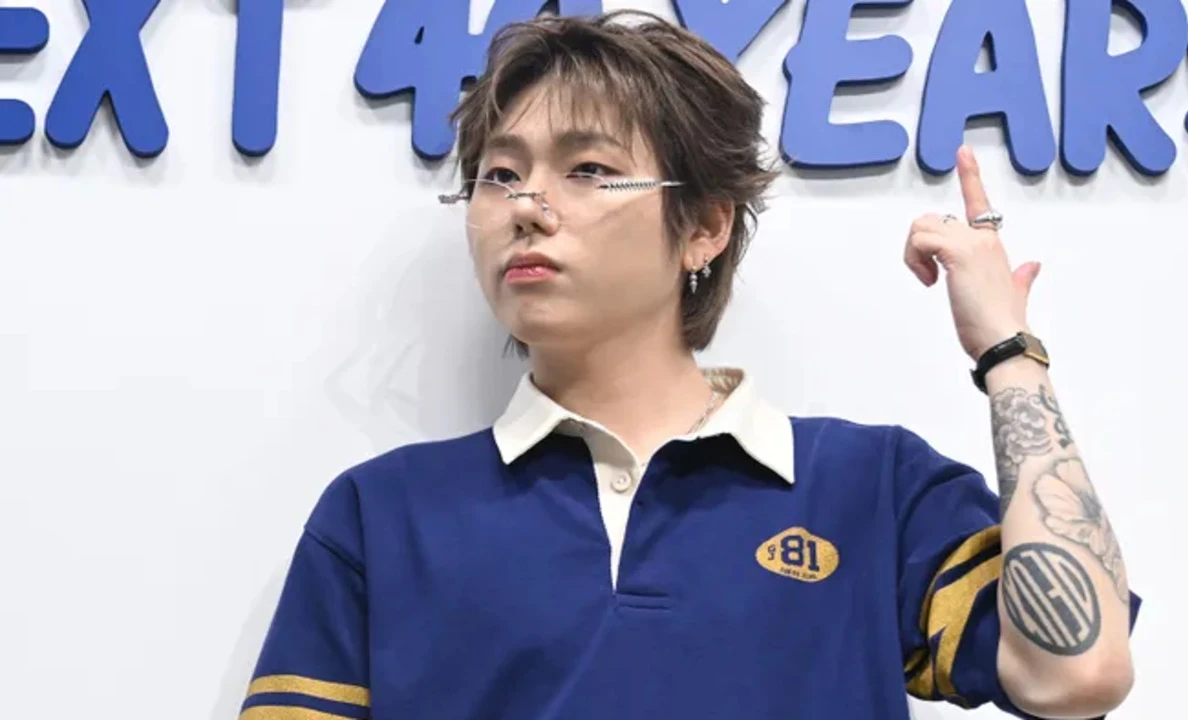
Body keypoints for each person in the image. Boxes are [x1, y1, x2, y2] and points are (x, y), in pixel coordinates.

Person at [237, 10, 1139, 720]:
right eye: (499, 175)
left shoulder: (870, 488)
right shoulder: (382, 515)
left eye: (588, 169)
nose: (527, 205)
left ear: (704, 227)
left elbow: (1077, 674)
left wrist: (1008, 354)